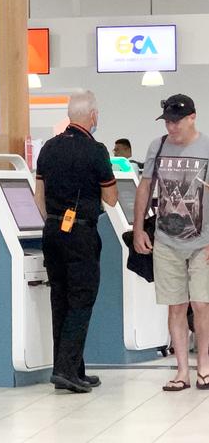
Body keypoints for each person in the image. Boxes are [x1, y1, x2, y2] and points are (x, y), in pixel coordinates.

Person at [35, 90, 117, 393]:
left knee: (60, 299)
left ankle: (72, 369)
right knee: (82, 300)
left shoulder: (48, 148)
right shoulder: (96, 151)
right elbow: (110, 198)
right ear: (93, 116)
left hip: (53, 232)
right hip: (81, 233)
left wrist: (52, 223)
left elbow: (38, 195)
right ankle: (66, 370)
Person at [133, 94, 209, 391]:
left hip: (202, 241)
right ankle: (181, 371)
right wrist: (139, 228)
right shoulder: (158, 146)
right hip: (166, 239)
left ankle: (203, 364)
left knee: (201, 304)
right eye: (167, 121)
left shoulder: (206, 146)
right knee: (175, 307)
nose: (171, 127)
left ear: (192, 117)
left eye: (176, 121)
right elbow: (145, 186)